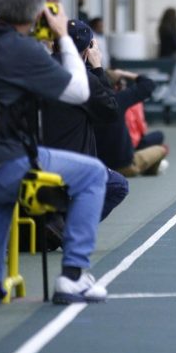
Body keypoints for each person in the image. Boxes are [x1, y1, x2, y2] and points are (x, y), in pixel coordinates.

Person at [0, 0, 107, 305]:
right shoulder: (24, 51)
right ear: (39, 12)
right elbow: (79, 91)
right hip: (9, 164)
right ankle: (74, 276)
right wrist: (63, 35)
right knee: (93, 174)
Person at [41, 19, 129, 228]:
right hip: (72, 162)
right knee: (118, 186)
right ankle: (67, 227)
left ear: (54, 44)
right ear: (87, 50)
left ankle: (55, 223)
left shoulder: (38, 70)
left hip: (33, 156)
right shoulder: (84, 79)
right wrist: (98, 68)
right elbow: (111, 111)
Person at [94, 71, 168, 177]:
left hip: (97, 168)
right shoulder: (118, 99)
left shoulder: (85, 102)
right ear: (117, 86)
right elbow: (148, 84)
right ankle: (150, 169)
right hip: (123, 166)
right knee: (162, 149)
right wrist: (124, 73)